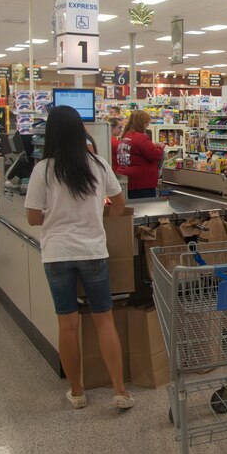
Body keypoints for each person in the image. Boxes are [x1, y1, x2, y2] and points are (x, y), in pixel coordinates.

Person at [24, 105, 134, 410]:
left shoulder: (43, 169)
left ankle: (77, 392)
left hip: (57, 254)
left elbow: (33, 218)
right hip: (93, 251)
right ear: (79, 130)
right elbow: (118, 205)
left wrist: (56, 216)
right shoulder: (98, 164)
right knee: (104, 320)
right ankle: (120, 390)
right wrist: (95, 217)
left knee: (67, 324)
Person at [115, 110, 164, 199]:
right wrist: (160, 147)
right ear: (141, 123)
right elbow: (155, 155)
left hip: (128, 178)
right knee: (145, 208)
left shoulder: (126, 135)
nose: (147, 125)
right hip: (142, 182)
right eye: (146, 123)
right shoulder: (140, 138)